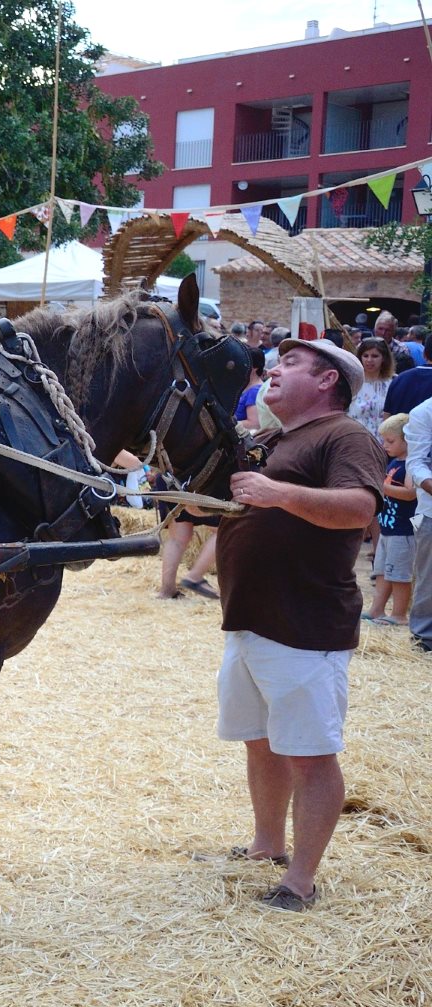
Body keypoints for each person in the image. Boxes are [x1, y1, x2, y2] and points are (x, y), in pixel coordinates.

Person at [213, 337, 385, 911]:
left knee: (309, 754)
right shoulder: (267, 439)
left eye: (290, 364)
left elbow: (361, 510)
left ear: (328, 380)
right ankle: (267, 846)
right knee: (262, 742)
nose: (274, 371)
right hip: (250, 619)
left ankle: (301, 882)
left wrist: (276, 493)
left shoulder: (346, 436)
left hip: (306, 624)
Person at [365, 413, 416, 626]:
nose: (385, 445)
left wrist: (380, 486)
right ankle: (376, 610)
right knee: (383, 571)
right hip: (387, 528)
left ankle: (399, 614)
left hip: (402, 530)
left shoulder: (412, 463)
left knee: (399, 574)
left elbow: (410, 493)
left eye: (391, 441)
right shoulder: (393, 461)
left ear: (408, 440)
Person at [404, 395, 432, 653]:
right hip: (430, 508)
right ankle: (424, 638)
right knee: (428, 576)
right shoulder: (424, 411)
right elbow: (415, 462)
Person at [350, 339, 394, 436]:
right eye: (365, 356)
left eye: (375, 356)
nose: (369, 360)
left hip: (385, 442)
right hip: (357, 439)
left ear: (384, 358)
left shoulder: (393, 383)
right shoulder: (351, 383)